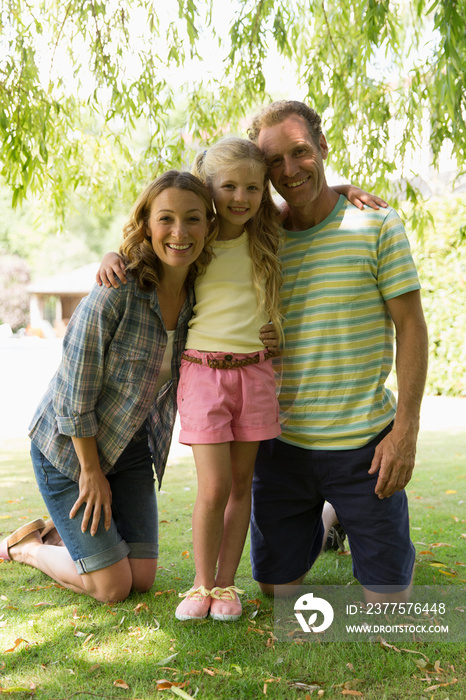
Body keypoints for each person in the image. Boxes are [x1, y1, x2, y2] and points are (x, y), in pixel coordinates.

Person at [0, 170, 218, 603]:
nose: (180, 232)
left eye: (193, 218)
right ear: (147, 224)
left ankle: (75, 542)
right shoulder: (114, 293)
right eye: (166, 219)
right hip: (67, 451)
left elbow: (259, 217)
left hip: (130, 448)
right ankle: (28, 547)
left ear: (210, 226)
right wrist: (91, 472)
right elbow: (73, 394)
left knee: (141, 578)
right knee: (113, 587)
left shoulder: (203, 292)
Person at [247, 100, 429, 603]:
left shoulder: (377, 225)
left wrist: (405, 431)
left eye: (300, 151)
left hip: (364, 450)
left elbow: (412, 328)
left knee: (387, 603)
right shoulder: (261, 242)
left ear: (323, 147)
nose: (289, 169)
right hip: (282, 447)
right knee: (275, 592)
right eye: (274, 162)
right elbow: (186, 222)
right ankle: (329, 518)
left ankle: (344, 513)